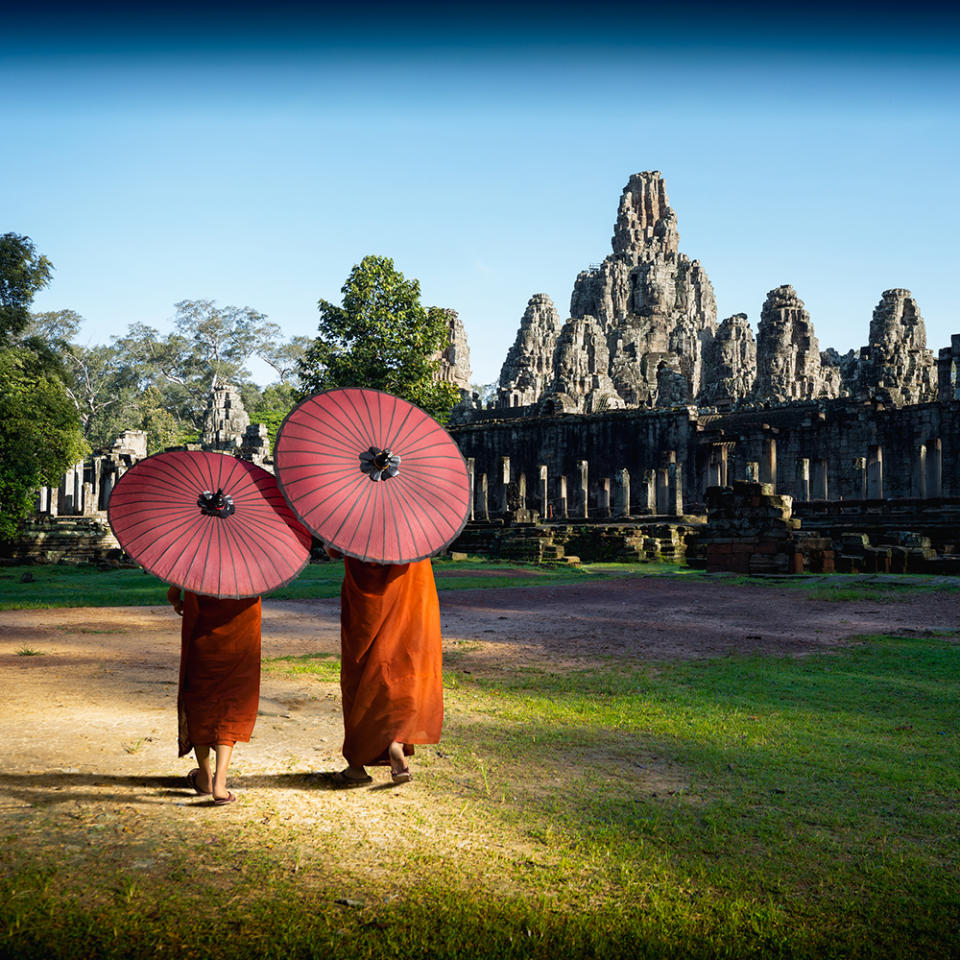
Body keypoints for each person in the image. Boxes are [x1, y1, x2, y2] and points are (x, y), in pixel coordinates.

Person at [322, 546, 443, 787]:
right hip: (410, 590)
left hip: (365, 601)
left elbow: (332, 550)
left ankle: (356, 765)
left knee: (363, 673)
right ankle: (396, 740)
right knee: (402, 666)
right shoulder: (411, 522)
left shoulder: (351, 512)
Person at [167, 586, 262, 805]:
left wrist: (176, 601)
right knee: (231, 702)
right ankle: (220, 783)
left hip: (204, 639)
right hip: (241, 641)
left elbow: (172, 593)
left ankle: (204, 777)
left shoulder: (198, 556)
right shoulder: (251, 567)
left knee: (201, 700)